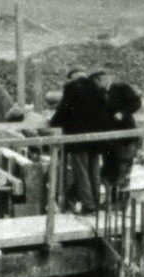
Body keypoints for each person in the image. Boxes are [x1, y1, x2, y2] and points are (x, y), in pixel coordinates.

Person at [49, 68, 117, 210]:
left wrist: (52, 123)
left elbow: (63, 111)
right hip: (96, 138)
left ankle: (89, 204)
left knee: (81, 172)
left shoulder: (72, 88)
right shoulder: (98, 89)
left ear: (72, 78)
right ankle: (96, 200)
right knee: (94, 170)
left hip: (78, 138)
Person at [100, 80, 143, 210]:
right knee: (109, 172)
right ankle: (111, 202)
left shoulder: (119, 87)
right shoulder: (101, 93)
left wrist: (124, 113)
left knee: (122, 172)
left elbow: (136, 102)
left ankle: (122, 204)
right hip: (110, 141)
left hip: (126, 140)